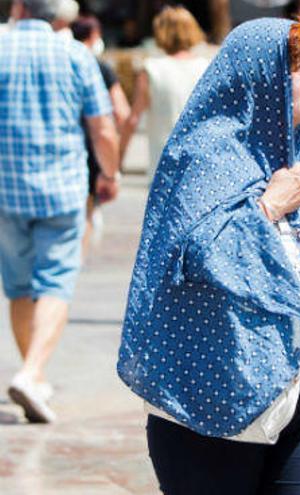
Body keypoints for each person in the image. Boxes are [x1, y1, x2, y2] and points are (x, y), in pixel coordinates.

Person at [117, 18, 300, 494]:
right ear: (257, 76)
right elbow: (190, 260)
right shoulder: (202, 157)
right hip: (216, 399)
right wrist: (269, 207)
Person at [0, 0, 120, 424]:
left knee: (17, 286)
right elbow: (103, 127)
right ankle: (32, 373)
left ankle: (35, 374)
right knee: (54, 283)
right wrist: (109, 172)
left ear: (18, 8)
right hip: (61, 189)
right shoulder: (75, 56)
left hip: (4, 189)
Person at [119, 6, 210, 182]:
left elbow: (133, 119)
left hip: (164, 164)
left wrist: (119, 158)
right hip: (199, 161)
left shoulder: (151, 69)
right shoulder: (205, 67)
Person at [71, 14, 131, 258]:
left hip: (71, 143)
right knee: (87, 208)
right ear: (94, 36)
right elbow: (122, 111)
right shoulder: (100, 67)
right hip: (95, 145)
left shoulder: (67, 61)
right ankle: (76, 261)